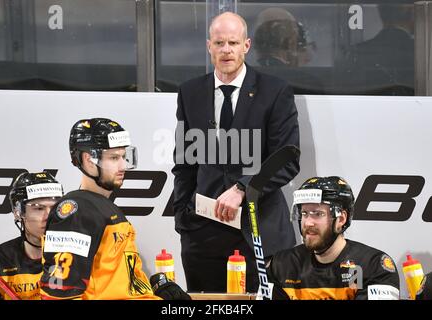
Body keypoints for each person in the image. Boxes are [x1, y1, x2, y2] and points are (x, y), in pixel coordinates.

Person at [172, 12, 300, 293]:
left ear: (247, 45)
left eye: (233, 42)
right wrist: (182, 214)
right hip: (202, 238)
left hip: (260, 232)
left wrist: (243, 188)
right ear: (209, 47)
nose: (226, 50)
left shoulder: (275, 91)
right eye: (219, 43)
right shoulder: (190, 92)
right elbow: (184, 162)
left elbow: (286, 159)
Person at [40, 118, 160, 300]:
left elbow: (116, 282)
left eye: (123, 156)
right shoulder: (76, 211)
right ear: (88, 160)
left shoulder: (103, 207)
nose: (122, 166)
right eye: (113, 158)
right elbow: (60, 293)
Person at [267, 176, 400, 300]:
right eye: (304, 213)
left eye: (317, 214)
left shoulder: (374, 265)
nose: (307, 222)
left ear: (341, 219)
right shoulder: (282, 265)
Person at [0, 171, 63, 300]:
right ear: (18, 212)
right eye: (38, 208)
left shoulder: (79, 256)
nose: (49, 217)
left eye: (54, 208)